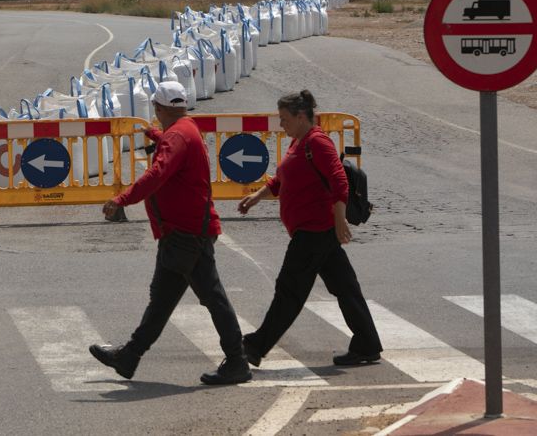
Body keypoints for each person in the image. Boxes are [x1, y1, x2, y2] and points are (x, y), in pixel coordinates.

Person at [89, 81, 251, 386]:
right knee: (163, 299)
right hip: (185, 233)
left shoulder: (177, 135)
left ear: (160, 109)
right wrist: (157, 136)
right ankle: (130, 356)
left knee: (212, 299)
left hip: (187, 235)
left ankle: (237, 361)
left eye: (156, 110)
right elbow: (174, 150)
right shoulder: (184, 130)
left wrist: (121, 198)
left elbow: (158, 173)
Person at [237, 90, 382, 367]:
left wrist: (339, 220)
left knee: (289, 290)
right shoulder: (298, 142)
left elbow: (339, 180)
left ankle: (255, 346)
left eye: (284, 118)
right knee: (346, 288)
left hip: (314, 230)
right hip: (317, 231)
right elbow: (281, 181)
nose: (281, 124)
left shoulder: (317, 142)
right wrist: (255, 198)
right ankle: (367, 343)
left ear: (301, 116)